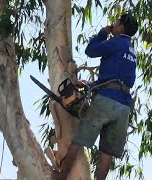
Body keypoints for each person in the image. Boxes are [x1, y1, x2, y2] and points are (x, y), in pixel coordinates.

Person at [57, 13, 138, 180]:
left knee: (79, 141)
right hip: (123, 107)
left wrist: (103, 33)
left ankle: (60, 177)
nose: (113, 24)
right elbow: (116, 78)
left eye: (116, 22)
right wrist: (90, 85)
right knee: (107, 153)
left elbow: (91, 51)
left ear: (121, 27)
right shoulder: (132, 51)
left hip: (106, 101)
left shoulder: (116, 43)